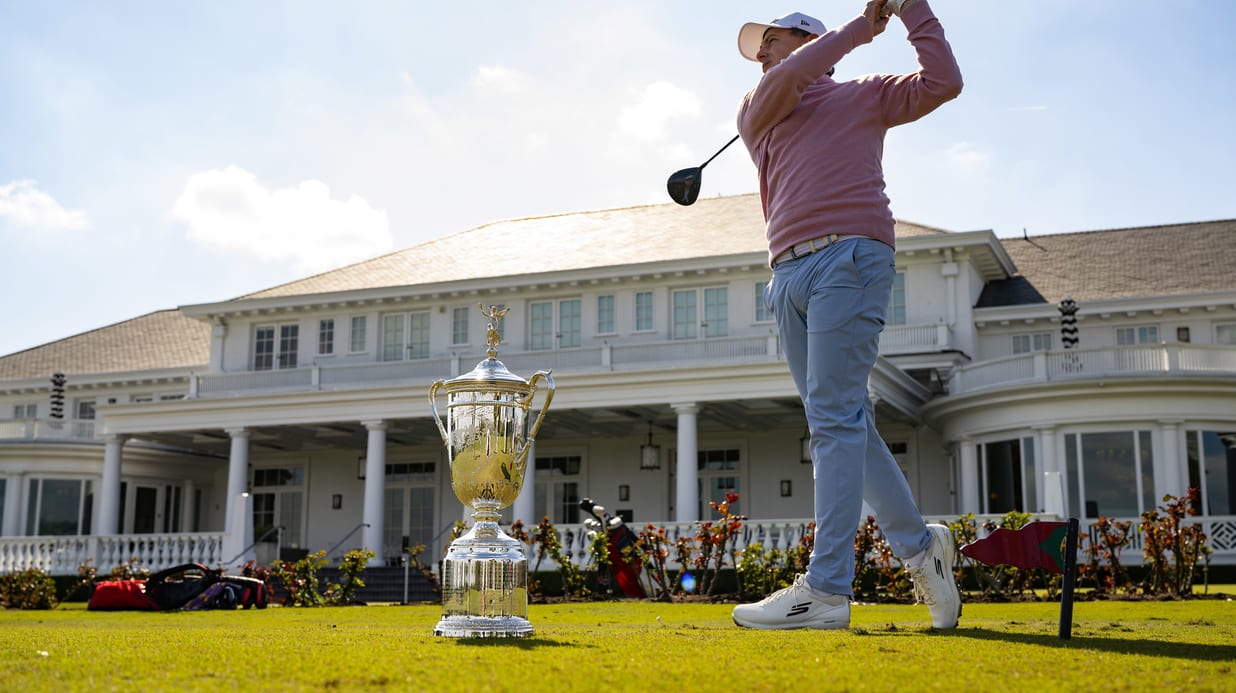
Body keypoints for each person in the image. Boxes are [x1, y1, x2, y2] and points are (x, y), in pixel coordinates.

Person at [730, 0, 964, 630]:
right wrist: (864, 28)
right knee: (844, 422)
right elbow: (789, 77)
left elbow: (944, 82)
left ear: (803, 38)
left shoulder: (864, 95)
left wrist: (910, 9)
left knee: (835, 420)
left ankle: (827, 589)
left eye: (770, 41)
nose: (761, 55)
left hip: (851, 259)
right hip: (787, 276)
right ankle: (921, 548)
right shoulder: (759, 110)